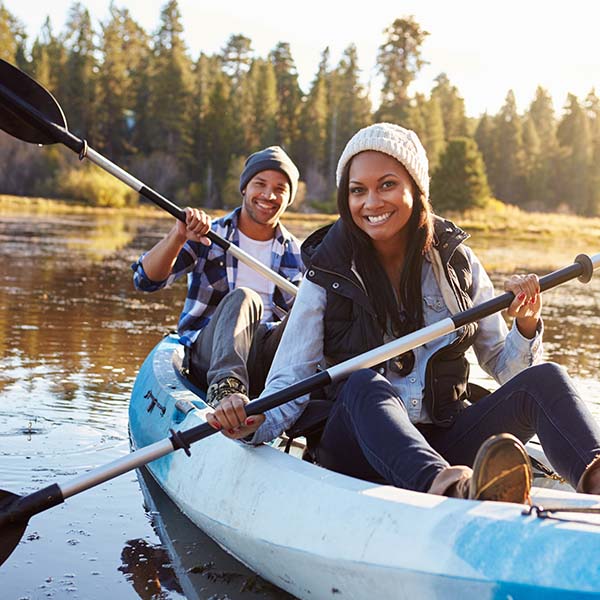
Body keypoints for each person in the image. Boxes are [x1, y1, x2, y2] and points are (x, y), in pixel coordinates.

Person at [207, 123, 600, 501]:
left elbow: (506, 368)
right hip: (357, 446)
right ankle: (448, 491)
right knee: (363, 383)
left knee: (545, 379)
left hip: (445, 438)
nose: (371, 202)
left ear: (417, 188)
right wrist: (256, 423)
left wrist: (526, 326)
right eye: (358, 190)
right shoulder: (326, 270)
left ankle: (595, 478)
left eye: (387, 185)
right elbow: (291, 376)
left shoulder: (457, 262)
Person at [132, 146, 304, 408]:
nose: (269, 195)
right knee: (245, 298)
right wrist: (177, 236)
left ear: (289, 198)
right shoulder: (209, 234)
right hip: (209, 355)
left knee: (309, 310)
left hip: (267, 362)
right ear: (245, 187)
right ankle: (226, 390)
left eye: (280, 189)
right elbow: (145, 280)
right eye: (260, 184)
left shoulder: (297, 252)